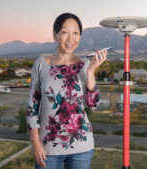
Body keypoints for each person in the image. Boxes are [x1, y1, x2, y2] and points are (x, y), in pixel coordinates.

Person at [27, 12, 107, 169]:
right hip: (47, 147)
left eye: (76, 33)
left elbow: (93, 105)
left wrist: (91, 71)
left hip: (81, 146)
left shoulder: (84, 65)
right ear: (55, 34)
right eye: (65, 32)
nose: (71, 38)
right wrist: (35, 142)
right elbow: (32, 107)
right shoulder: (41, 64)